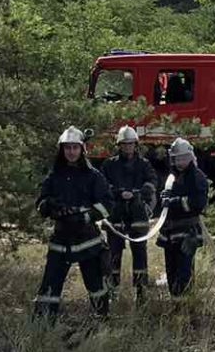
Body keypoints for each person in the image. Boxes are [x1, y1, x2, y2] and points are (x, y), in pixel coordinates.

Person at [34, 126, 114, 335]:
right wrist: (50, 206)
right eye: (67, 148)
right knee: (50, 284)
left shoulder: (93, 176)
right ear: (62, 150)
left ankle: (101, 323)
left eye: (75, 148)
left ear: (82, 149)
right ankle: (43, 325)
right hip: (61, 239)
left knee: (96, 284)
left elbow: (108, 204)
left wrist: (86, 216)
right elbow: (40, 203)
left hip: (87, 239)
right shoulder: (54, 175)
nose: (71, 152)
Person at [100, 125, 158, 302]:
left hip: (137, 213)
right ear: (119, 145)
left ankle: (141, 292)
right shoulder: (109, 165)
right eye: (124, 144)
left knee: (140, 253)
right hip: (116, 214)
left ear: (136, 144)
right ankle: (112, 291)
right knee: (113, 254)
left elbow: (152, 182)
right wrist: (118, 193)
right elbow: (102, 186)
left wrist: (140, 193)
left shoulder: (144, 164)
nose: (127, 147)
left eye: (130, 144)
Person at [156, 137, 209, 295]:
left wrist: (174, 202)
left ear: (191, 157)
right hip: (170, 232)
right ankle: (176, 302)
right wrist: (164, 198)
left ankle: (185, 307)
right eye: (176, 158)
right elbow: (166, 200)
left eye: (183, 158)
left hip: (188, 232)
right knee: (171, 270)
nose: (179, 162)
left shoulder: (197, 177)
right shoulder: (171, 177)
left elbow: (198, 203)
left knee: (184, 272)